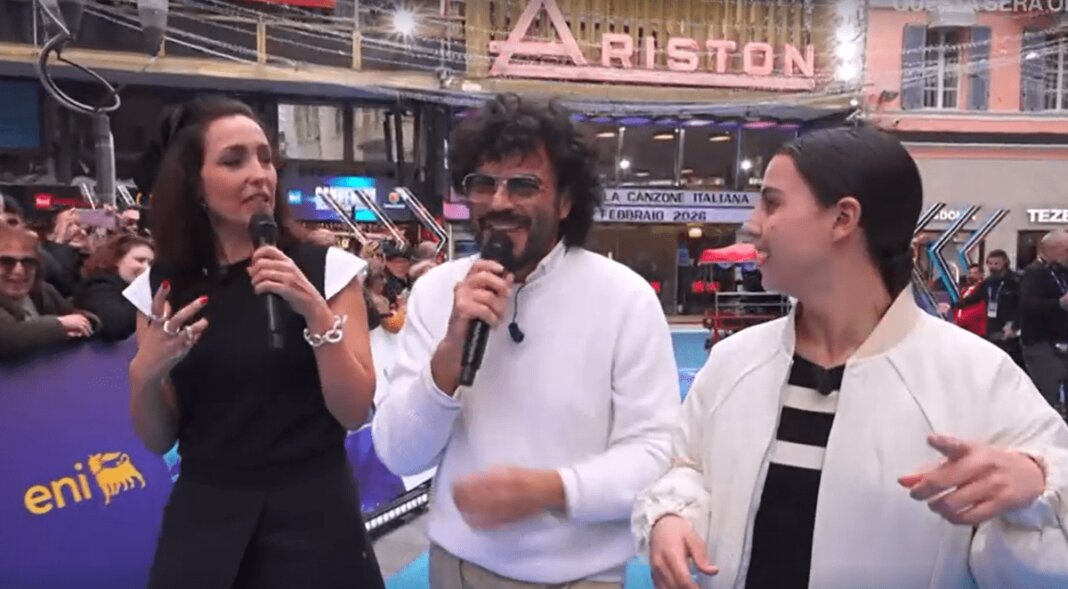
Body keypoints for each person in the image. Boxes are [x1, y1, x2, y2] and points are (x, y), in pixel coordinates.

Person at [634, 126, 1068, 589]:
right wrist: (672, 517)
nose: (753, 224)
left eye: (772, 203)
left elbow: (1042, 550)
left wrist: (1033, 486)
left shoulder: (977, 378)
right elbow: (688, 467)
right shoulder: (733, 362)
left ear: (843, 218)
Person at [373, 94, 680, 588]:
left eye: (523, 185)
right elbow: (399, 454)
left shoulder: (626, 299)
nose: (499, 202)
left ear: (566, 201)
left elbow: (655, 454)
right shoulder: (436, 293)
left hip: (584, 577)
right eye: (484, 183)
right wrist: (449, 356)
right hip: (458, 571)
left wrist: (550, 490)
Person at [121, 96, 384, 589]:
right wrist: (145, 375)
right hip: (205, 519)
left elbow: (354, 411)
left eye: (266, 158)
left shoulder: (326, 270)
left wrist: (315, 312)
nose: (259, 175)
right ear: (194, 184)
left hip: (316, 517)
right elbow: (158, 439)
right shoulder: (160, 289)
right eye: (233, 160)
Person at [0, 223, 99, 359]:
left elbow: (77, 317)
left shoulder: (44, 291)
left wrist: (87, 323)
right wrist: (59, 325)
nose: (19, 270)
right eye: (6, 262)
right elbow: (7, 338)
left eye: (28, 262)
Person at [1018, 230, 1068, 411]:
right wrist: (1059, 303)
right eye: (1066, 250)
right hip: (1041, 343)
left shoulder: (1062, 272)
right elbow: (1028, 305)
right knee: (1048, 391)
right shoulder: (1033, 274)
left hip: (1061, 339)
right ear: (1053, 249)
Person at [74, 233, 155, 341]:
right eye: (140, 260)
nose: (146, 268)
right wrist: (143, 293)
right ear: (117, 260)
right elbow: (116, 326)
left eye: (150, 264)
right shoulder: (98, 285)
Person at [952, 250, 1023, 364]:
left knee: (1011, 361)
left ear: (1005, 263)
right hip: (992, 326)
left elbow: (1023, 305)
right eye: (990, 264)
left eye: (996, 263)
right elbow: (973, 298)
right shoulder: (988, 282)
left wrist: (1015, 325)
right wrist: (953, 305)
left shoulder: (1016, 282)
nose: (993, 267)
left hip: (1010, 327)